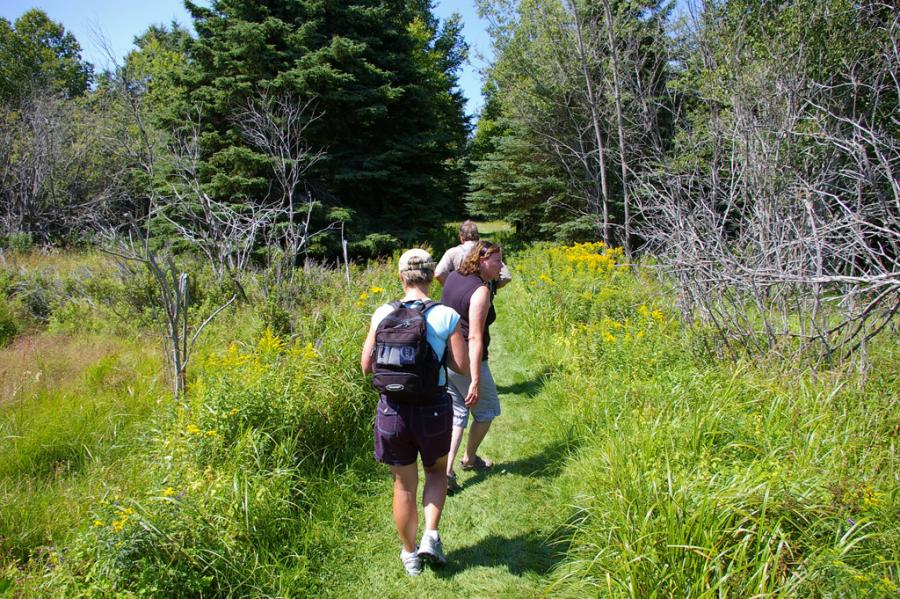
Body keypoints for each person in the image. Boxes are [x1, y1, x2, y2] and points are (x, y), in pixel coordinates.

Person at [360, 249, 468, 576]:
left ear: (401, 277)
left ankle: (409, 555)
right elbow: (461, 366)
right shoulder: (446, 315)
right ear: (432, 276)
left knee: (403, 485)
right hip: (433, 408)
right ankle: (431, 536)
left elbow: (366, 366)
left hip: (392, 410)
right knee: (436, 472)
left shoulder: (383, 313)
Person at [440, 241, 504, 494]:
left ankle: (446, 471)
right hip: (467, 361)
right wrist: (475, 379)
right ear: (481, 260)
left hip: (447, 356)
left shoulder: (454, 278)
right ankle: (469, 459)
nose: (501, 266)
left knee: (458, 412)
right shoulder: (480, 291)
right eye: (497, 261)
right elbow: (475, 337)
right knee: (487, 410)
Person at [435, 220, 511, 291]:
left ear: (461, 238)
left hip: (460, 296)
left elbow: (439, 273)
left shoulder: (452, 252)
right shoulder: (486, 250)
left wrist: (452, 288)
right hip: (482, 296)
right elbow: (506, 276)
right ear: (478, 236)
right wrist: (491, 288)